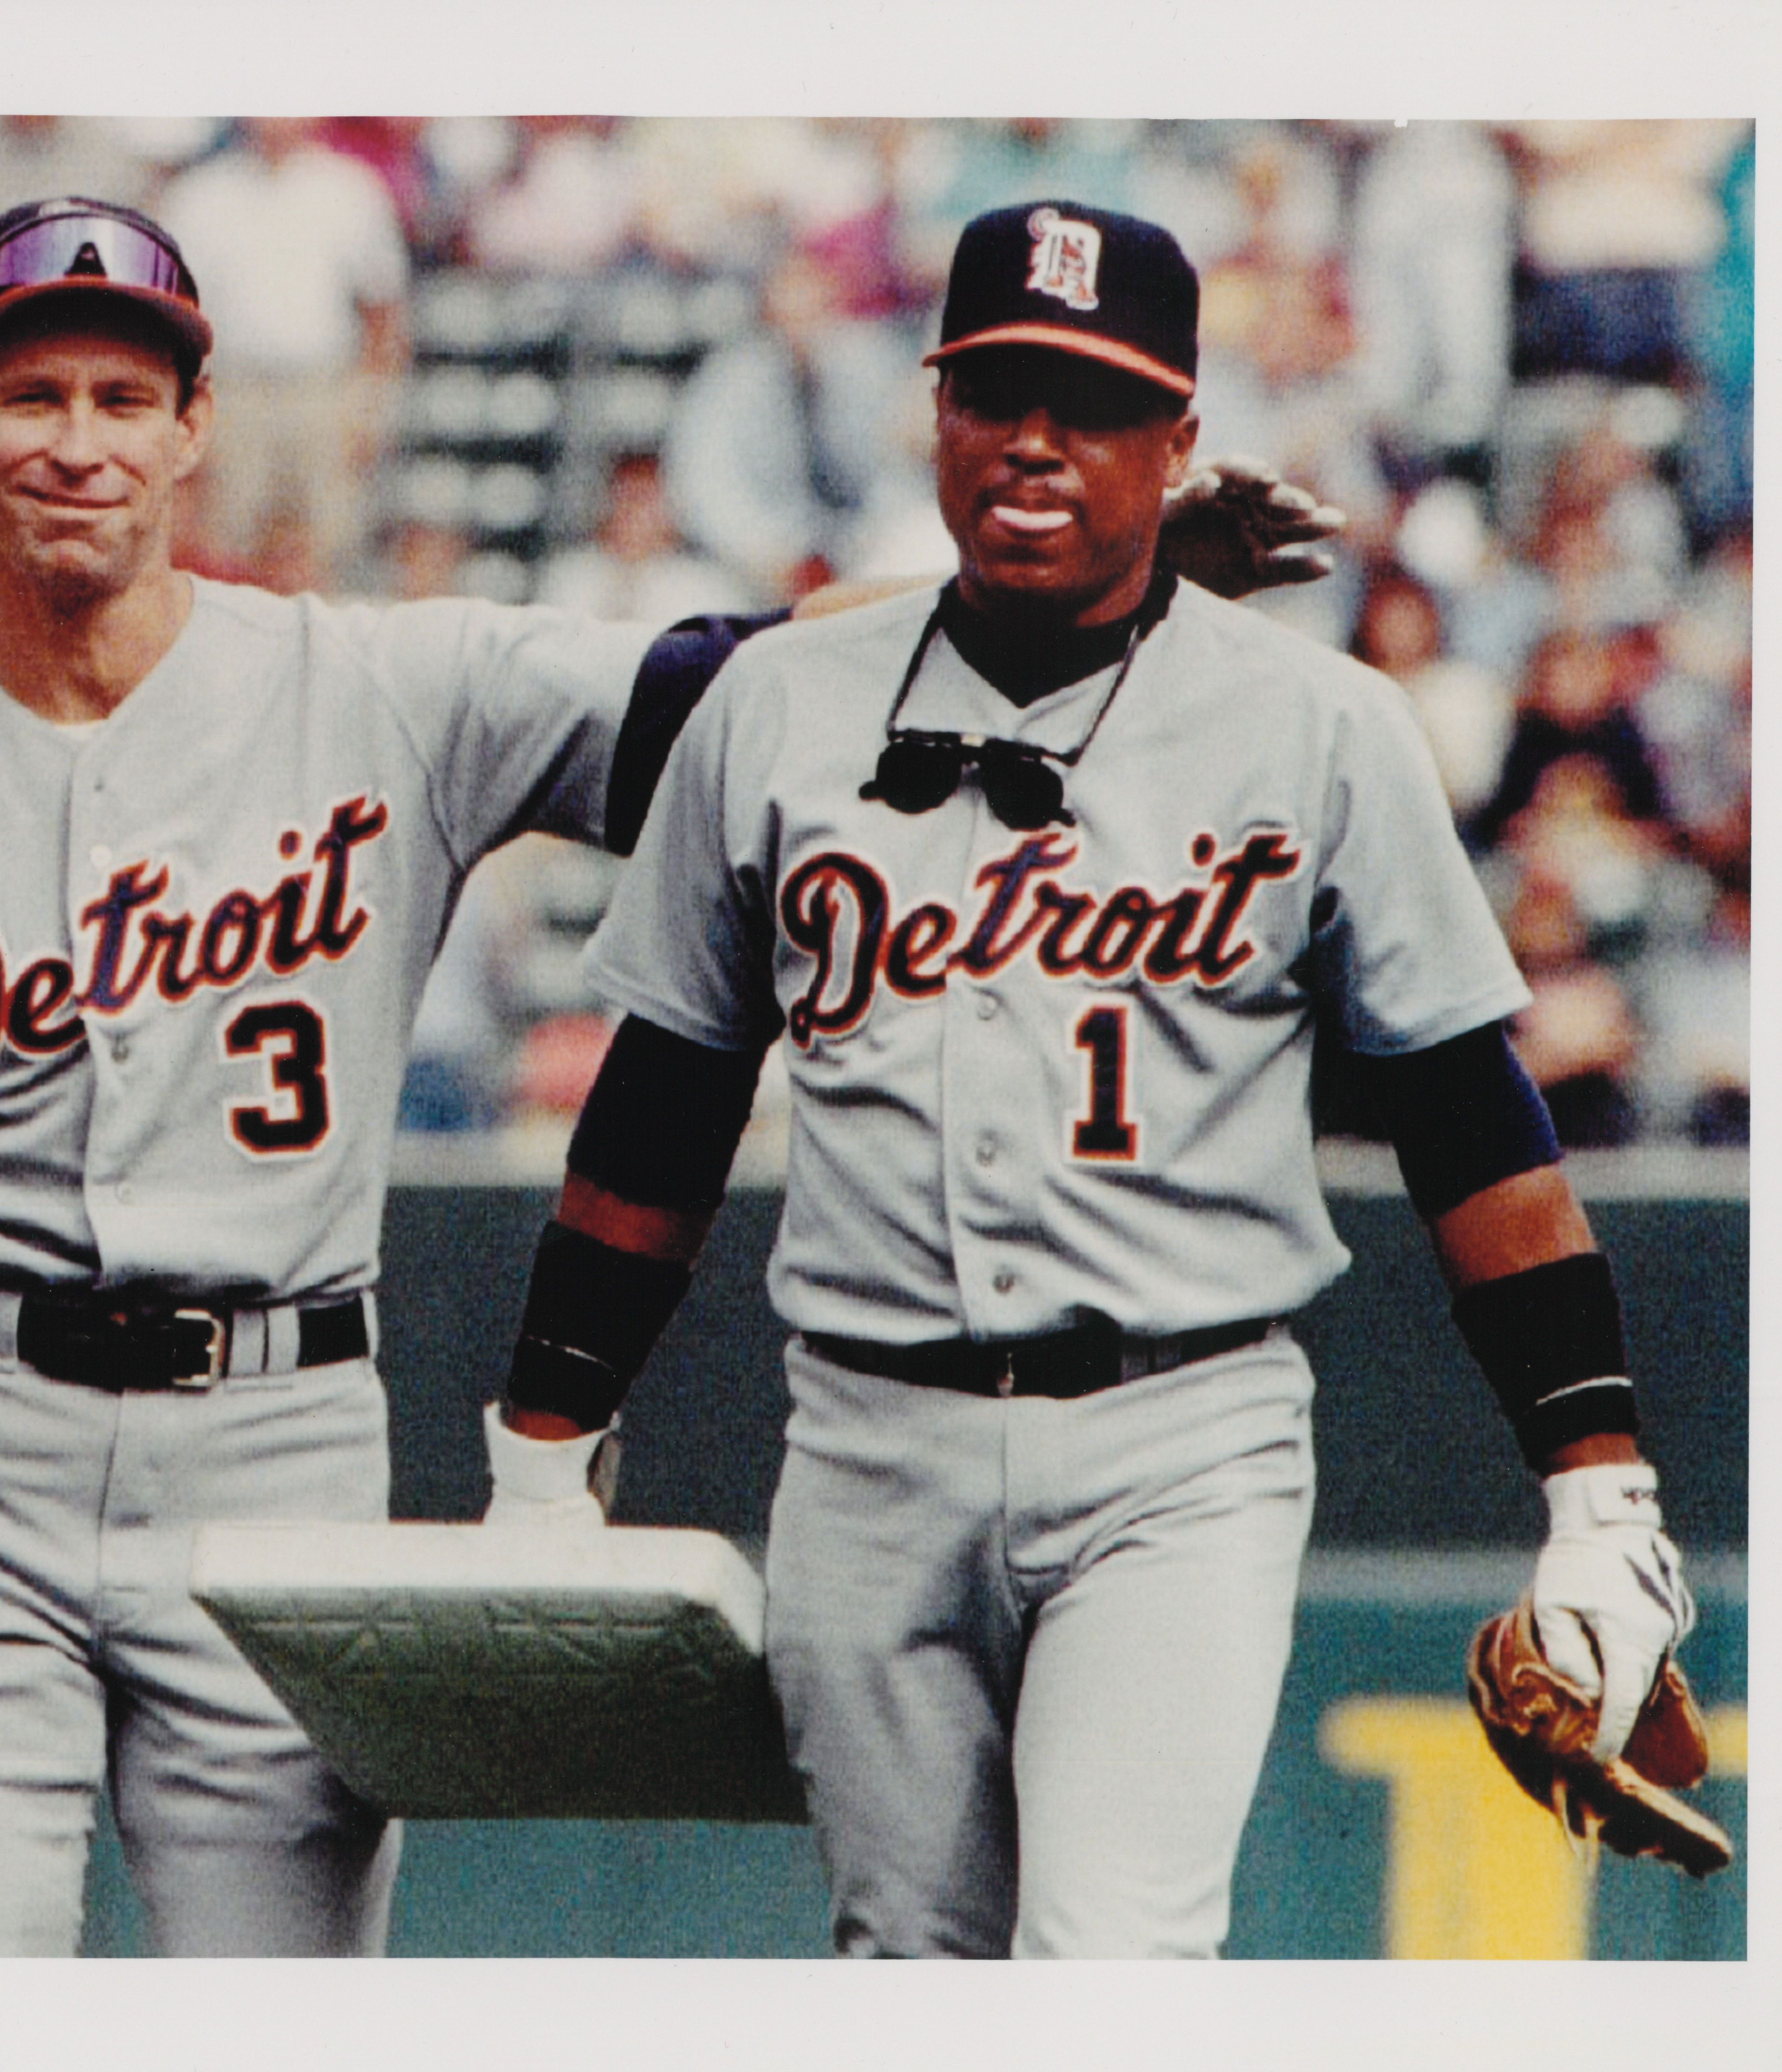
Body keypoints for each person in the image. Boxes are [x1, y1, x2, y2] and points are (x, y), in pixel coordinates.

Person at [0, 194, 1335, 1959]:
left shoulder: (378, 686)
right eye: (31, 393)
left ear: (196, 425)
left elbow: (741, 680)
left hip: (274, 1436)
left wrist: (1071, 569)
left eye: (124, 394)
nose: (78, 441)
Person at [476, 200, 1697, 1960]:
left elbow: (1466, 1118)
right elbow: (660, 1101)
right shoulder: (776, 704)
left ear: (1178, 441)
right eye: (997, 391)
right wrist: (542, 1447)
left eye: (1095, 402)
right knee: (910, 1963)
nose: (1035, 439)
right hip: (865, 1439)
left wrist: (1598, 1491)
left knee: (1110, 1962)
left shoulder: (1320, 723)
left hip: (1175, 1433)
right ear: (935, 411)